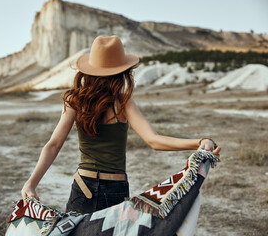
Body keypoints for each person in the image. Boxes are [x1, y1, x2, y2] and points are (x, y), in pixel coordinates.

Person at [21, 35, 221, 214]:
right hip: (115, 189)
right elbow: (154, 141)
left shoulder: (75, 100)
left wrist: (31, 183)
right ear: (121, 72)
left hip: (82, 186)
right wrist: (200, 142)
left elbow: (53, 145)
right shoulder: (123, 102)